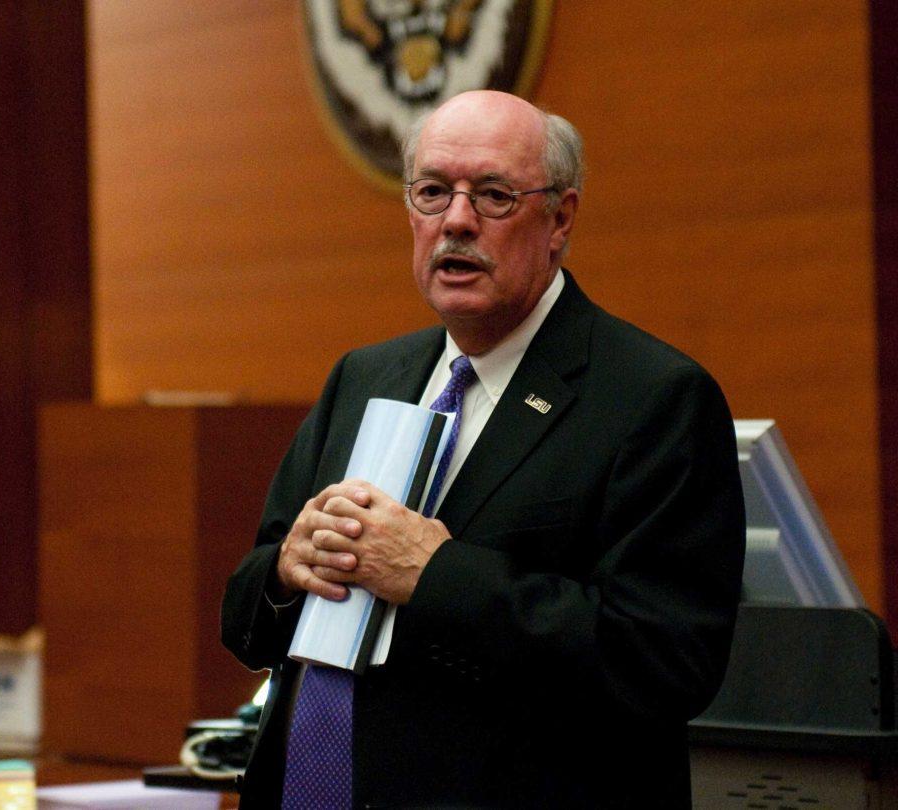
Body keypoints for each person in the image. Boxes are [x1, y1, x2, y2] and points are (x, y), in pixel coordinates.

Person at [221, 90, 745, 809]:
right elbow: (246, 619)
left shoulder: (653, 399)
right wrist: (285, 570)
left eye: (494, 196)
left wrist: (436, 576)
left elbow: (662, 664)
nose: (456, 221)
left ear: (559, 219)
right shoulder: (364, 377)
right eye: (434, 192)